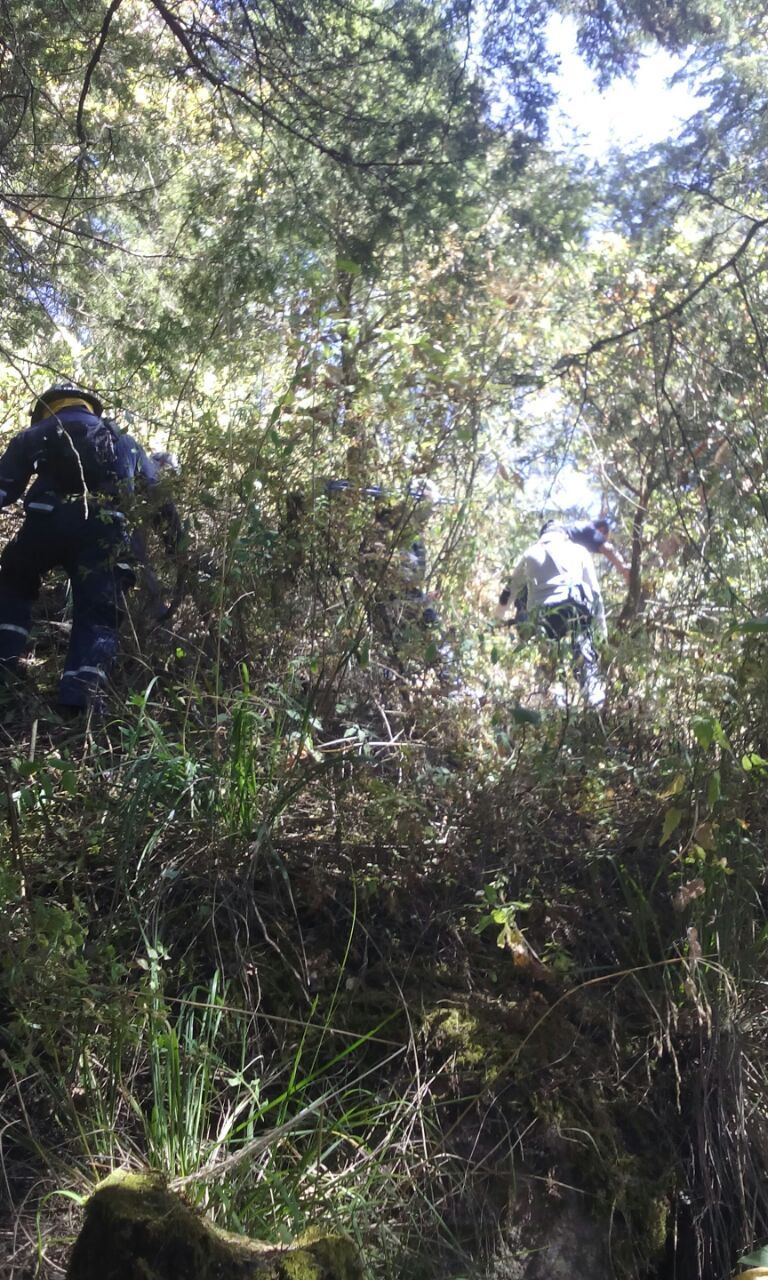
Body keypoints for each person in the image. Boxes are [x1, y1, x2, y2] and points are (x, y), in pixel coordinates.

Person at [0, 383, 170, 714]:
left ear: (47, 408)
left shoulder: (38, 432)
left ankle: (4, 664)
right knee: (100, 610)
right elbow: (160, 499)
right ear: (89, 406)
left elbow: (4, 487)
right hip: (105, 532)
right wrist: (177, 548)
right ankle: (80, 699)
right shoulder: (124, 440)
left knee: (14, 580)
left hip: (45, 523)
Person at [496, 522, 608, 707]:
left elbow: (509, 592)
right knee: (586, 664)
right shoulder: (579, 551)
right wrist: (602, 635)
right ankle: (596, 706)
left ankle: (551, 706)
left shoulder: (530, 553)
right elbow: (596, 596)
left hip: (543, 618)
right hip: (576, 613)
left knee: (547, 669)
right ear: (564, 534)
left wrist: (497, 619)